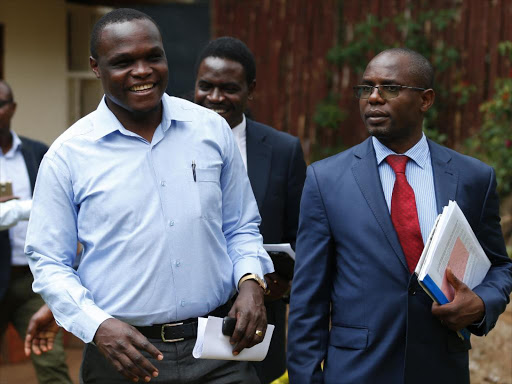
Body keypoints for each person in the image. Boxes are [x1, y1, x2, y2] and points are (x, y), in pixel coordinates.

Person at [25, 9, 273, 384]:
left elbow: (240, 226)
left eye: (152, 57)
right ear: (96, 67)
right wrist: (98, 325)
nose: (142, 71)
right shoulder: (67, 155)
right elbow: (48, 261)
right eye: (123, 62)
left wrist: (252, 282)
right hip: (124, 357)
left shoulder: (210, 131)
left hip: (219, 350)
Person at [287, 48, 512, 384]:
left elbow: (500, 266)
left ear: (425, 100)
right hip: (357, 372)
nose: (373, 98)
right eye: (366, 88)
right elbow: (308, 300)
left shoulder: (473, 178)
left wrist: (480, 303)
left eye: (390, 88)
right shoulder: (326, 180)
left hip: (440, 370)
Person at [194, 37, 306, 383]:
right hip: (187, 321)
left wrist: (282, 281)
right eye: (205, 86)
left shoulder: (283, 151)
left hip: (260, 317)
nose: (214, 98)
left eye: (228, 88)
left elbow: (301, 234)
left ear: (250, 89)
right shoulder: (167, 143)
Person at [0, 80, 72, 384]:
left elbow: (59, 205)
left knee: (51, 361)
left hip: (34, 278)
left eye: (1, 104)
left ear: (13, 108)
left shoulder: (38, 152)